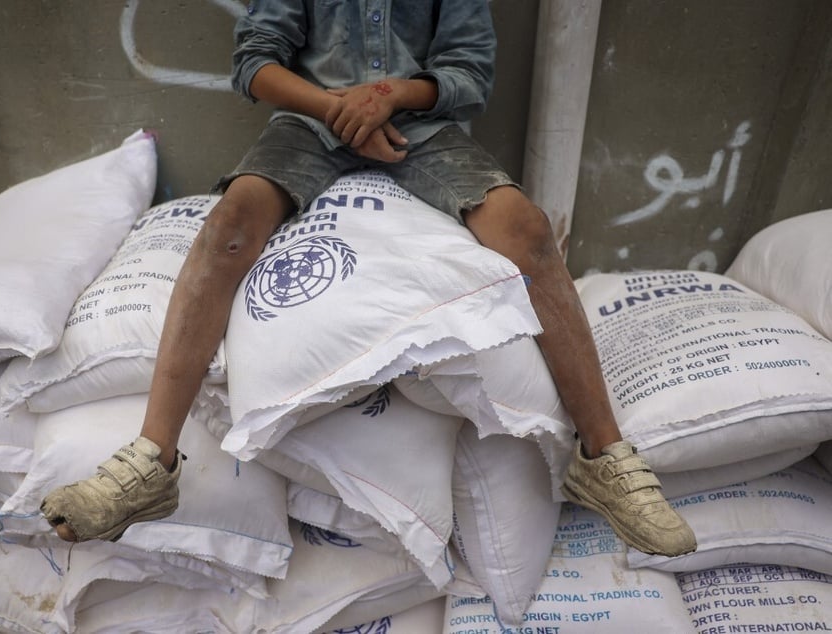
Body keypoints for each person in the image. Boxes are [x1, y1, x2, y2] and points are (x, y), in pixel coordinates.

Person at [40, 0, 696, 557]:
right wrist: (336, 108)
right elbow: (255, 64)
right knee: (229, 224)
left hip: (423, 132)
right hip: (307, 125)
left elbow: (468, 75)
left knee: (524, 228)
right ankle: (151, 462)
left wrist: (388, 97)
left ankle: (603, 458)